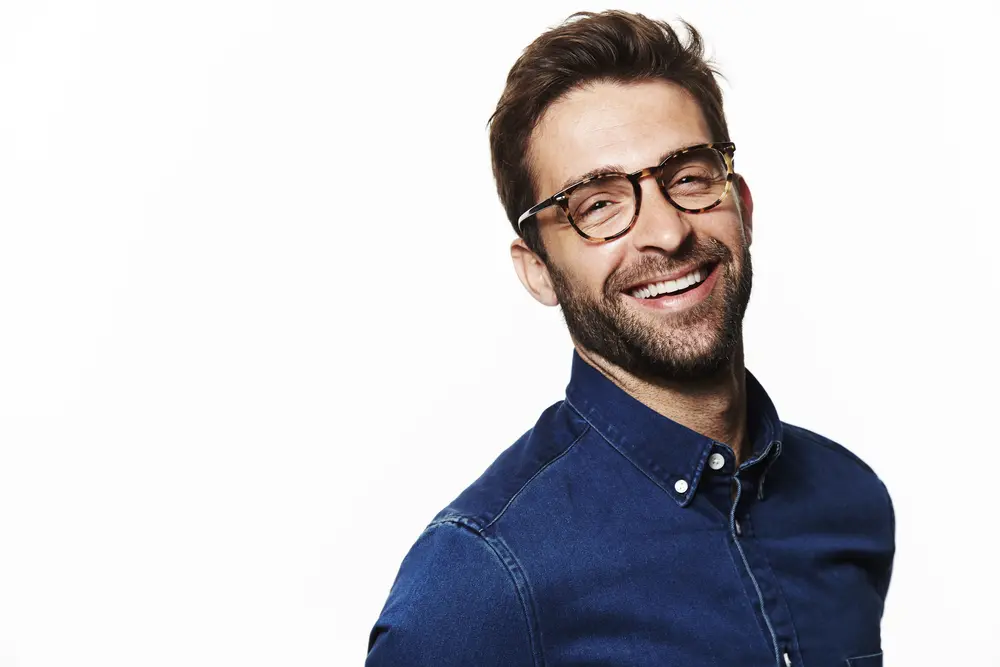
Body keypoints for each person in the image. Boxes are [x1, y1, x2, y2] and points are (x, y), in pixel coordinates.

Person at [365, 10, 894, 667]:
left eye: (690, 178)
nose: (668, 233)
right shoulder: (482, 577)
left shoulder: (848, 501)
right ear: (539, 270)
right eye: (598, 204)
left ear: (743, 205)